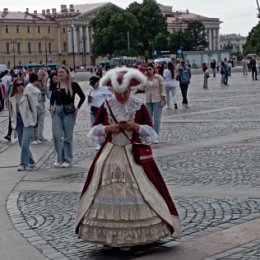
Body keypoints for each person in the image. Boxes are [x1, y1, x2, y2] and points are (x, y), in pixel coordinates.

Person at [75, 67, 181, 250]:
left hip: (133, 154)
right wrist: (108, 129)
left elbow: (151, 132)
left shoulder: (138, 105)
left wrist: (135, 126)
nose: (121, 96)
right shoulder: (107, 105)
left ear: (130, 90)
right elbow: (93, 131)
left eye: (124, 93)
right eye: (118, 93)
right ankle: (110, 235)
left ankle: (142, 233)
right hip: (110, 153)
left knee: (143, 188)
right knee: (105, 188)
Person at [50, 65, 86, 168]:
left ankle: (68, 159)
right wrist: (51, 106)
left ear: (67, 73)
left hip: (69, 111)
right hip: (57, 111)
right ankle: (59, 157)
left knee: (67, 137)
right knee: (56, 135)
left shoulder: (73, 85)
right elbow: (52, 98)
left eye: (62, 72)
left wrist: (77, 108)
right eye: (59, 72)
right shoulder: (55, 85)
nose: (60, 74)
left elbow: (83, 97)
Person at [9, 78, 37, 171]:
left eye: (22, 84)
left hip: (27, 121)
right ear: (15, 86)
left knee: (25, 142)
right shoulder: (12, 96)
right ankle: (31, 161)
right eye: (18, 85)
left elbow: (34, 108)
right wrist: (13, 122)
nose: (21, 86)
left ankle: (22, 164)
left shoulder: (27, 95)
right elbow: (11, 111)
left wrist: (34, 122)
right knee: (21, 143)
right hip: (18, 121)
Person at [139, 63, 166, 141]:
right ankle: (149, 135)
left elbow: (162, 88)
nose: (148, 71)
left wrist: (163, 99)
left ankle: (155, 136)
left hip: (157, 100)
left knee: (157, 120)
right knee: (148, 119)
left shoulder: (159, 78)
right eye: (147, 70)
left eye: (150, 69)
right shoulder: (145, 78)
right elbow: (141, 88)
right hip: (148, 100)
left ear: (153, 69)